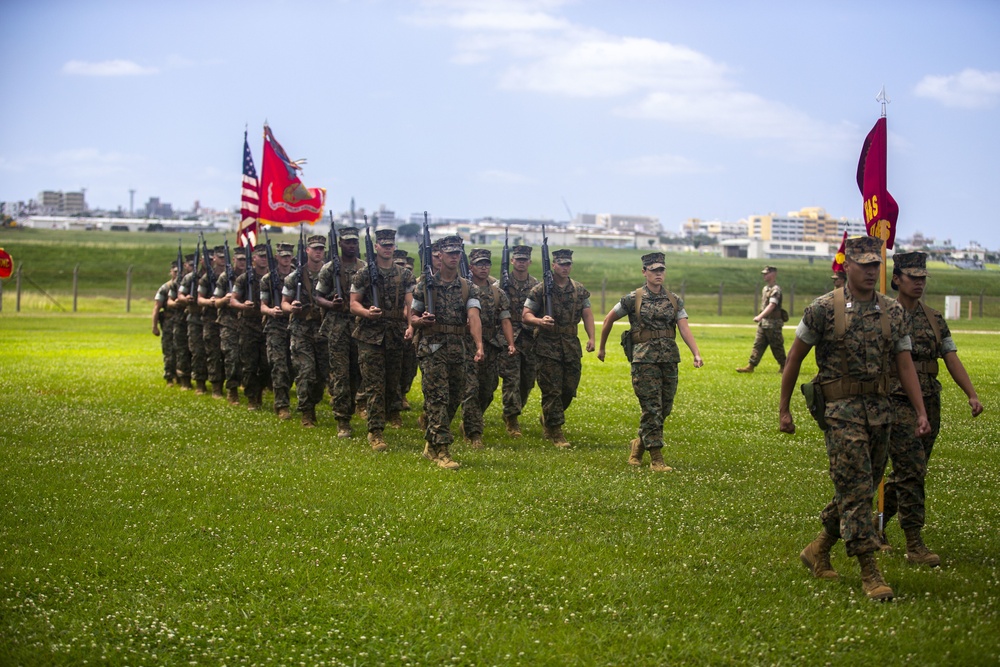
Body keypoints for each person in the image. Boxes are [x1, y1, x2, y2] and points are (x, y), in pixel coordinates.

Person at [779, 236, 931, 602]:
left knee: (859, 488)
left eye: (875, 265)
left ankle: (818, 548)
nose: (869, 271)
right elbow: (795, 359)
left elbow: (905, 364)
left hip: (881, 412)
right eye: (862, 264)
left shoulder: (893, 312)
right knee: (858, 490)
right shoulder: (822, 309)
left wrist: (920, 410)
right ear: (846, 266)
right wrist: (784, 408)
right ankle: (870, 572)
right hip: (840, 412)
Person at [881, 251, 984, 565]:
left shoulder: (934, 318)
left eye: (923, 278)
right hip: (897, 401)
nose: (919, 284)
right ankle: (915, 543)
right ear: (897, 279)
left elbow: (950, 356)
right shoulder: (884, 314)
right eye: (913, 278)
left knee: (912, 470)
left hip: (930, 401)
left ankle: (877, 525)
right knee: (911, 470)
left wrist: (971, 394)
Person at [597, 252, 704, 471]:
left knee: (664, 407)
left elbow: (684, 327)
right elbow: (609, 319)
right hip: (643, 360)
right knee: (651, 406)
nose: (658, 274)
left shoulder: (674, 300)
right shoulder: (632, 298)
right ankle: (656, 458)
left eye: (661, 270)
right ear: (644, 272)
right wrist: (601, 347)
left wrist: (696, 353)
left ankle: (638, 444)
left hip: (669, 359)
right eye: (654, 270)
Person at [410, 235, 485, 470]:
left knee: (454, 398)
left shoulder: (467, 286)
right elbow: (412, 316)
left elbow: (473, 317)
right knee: (437, 398)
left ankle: (431, 443)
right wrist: (420, 321)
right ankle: (442, 451)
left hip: (458, 348)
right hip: (432, 347)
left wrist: (479, 344)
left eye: (457, 253)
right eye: (450, 253)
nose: (454, 257)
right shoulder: (425, 285)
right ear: (439, 256)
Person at [522, 248, 595, 448]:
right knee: (551, 389)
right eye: (561, 264)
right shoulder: (540, 289)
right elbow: (526, 314)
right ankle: (555, 431)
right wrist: (539, 321)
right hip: (547, 344)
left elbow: (587, 313)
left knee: (569, 389)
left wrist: (592, 337)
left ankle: (549, 416)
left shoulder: (579, 289)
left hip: (570, 344)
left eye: (568, 264)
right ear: (553, 265)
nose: (565, 267)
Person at [349, 228, 415, 451]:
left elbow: (410, 304)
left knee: (392, 383)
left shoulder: (404, 275)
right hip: (370, 335)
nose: (388, 248)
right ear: (376, 247)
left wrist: (411, 325)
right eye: (384, 245)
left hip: (395, 334)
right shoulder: (364, 274)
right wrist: (366, 312)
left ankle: (390, 414)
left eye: (391, 245)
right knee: (374, 385)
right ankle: (375, 432)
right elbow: (353, 303)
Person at [460, 248, 516, 448]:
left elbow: (505, 319)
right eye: (479, 264)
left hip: (491, 345)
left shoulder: (497, 293)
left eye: (486, 264)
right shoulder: (463, 289)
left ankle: (471, 419)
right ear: (471, 267)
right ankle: (473, 432)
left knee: (488, 389)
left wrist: (510, 343)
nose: (483, 268)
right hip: (467, 345)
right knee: (470, 389)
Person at [315, 227, 365, 438]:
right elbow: (317, 296)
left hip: (359, 325)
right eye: (347, 242)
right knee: (341, 373)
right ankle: (342, 419)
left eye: (354, 242)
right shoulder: (329, 268)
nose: (351, 245)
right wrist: (330, 304)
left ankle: (353, 406)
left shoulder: (364, 268)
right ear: (340, 244)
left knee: (357, 373)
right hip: (337, 326)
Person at [282, 235, 329, 427]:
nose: (318, 252)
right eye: (314, 248)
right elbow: (284, 303)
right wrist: (291, 307)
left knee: (321, 376)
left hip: (324, 329)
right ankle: (306, 411)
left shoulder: (329, 273)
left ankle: (313, 401)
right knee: (306, 371)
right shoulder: (295, 277)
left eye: (321, 249)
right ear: (307, 251)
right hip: (301, 329)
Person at [498, 245, 539, 437]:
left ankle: (515, 408)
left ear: (529, 262)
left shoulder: (537, 285)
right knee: (511, 379)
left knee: (527, 381)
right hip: (509, 337)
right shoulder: (501, 284)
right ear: (512, 261)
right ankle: (511, 417)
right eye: (518, 259)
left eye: (525, 260)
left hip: (530, 338)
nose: (521, 263)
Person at [231, 246, 270, 411]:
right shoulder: (244, 278)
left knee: (266, 364)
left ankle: (260, 390)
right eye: (260, 256)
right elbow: (233, 300)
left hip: (267, 325)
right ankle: (252, 397)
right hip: (248, 325)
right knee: (249, 364)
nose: (263, 259)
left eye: (265, 256)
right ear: (253, 258)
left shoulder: (271, 278)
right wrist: (242, 305)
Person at [260, 242, 295, 420]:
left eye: (289, 256)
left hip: (295, 326)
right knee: (279, 366)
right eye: (283, 256)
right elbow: (262, 305)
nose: (286, 259)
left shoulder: (298, 276)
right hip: (275, 326)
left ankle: (285, 394)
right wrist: (271, 311)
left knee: (293, 367)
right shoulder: (267, 279)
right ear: (277, 257)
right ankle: (281, 405)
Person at [737, 266, 786, 373]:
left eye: (766, 273)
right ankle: (751, 366)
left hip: (773, 324)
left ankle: (784, 366)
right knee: (758, 344)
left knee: (777, 346)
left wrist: (760, 316)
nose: (764, 275)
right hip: (764, 323)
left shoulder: (775, 290)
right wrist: (762, 319)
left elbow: (772, 305)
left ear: (773, 274)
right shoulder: (765, 289)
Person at [214, 247, 245, 405]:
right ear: (234, 260)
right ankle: (232, 390)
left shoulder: (250, 277)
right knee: (231, 357)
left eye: (245, 260)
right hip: (228, 323)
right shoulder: (225, 277)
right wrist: (225, 299)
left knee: (247, 359)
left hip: (247, 324)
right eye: (239, 260)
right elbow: (216, 302)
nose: (242, 263)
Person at [198, 246, 228, 398]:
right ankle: (216, 386)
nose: (223, 260)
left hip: (228, 319)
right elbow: (199, 298)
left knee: (229, 354)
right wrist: (210, 302)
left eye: (225, 257)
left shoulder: (231, 275)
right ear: (214, 259)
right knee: (213, 353)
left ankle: (231, 386)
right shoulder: (207, 277)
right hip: (211, 319)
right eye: (220, 257)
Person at [167, 254, 194, 390]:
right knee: (182, 350)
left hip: (196, 318)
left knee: (195, 351)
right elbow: (169, 301)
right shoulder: (177, 282)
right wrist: (178, 302)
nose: (192, 267)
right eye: (190, 264)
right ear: (185, 265)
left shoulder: (199, 278)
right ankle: (184, 380)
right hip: (180, 320)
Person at [152, 261, 179, 386]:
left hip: (181, 322)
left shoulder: (184, 285)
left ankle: (180, 375)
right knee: (169, 350)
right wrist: (154, 326)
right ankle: (169, 376)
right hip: (169, 322)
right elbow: (157, 307)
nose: (177, 274)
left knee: (181, 350)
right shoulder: (165, 288)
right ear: (171, 272)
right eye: (175, 272)